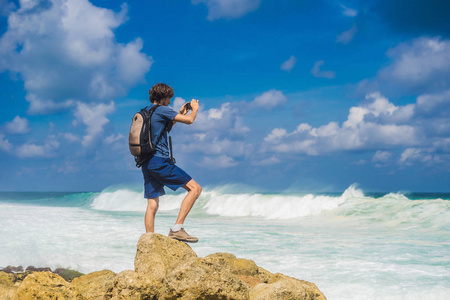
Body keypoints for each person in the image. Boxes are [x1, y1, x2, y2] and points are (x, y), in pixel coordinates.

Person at [141, 83, 202, 243]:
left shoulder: (147, 112)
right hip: (160, 161)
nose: (170, 102)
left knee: (152, 204)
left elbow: (163, 130)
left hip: (146, 163)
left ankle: (149, 241)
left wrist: (180, 113)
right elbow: (189, 120)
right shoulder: (162, 109)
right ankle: (177, 229)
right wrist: (194, 109)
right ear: (164, 97)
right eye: (169, 98)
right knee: (195, 189)